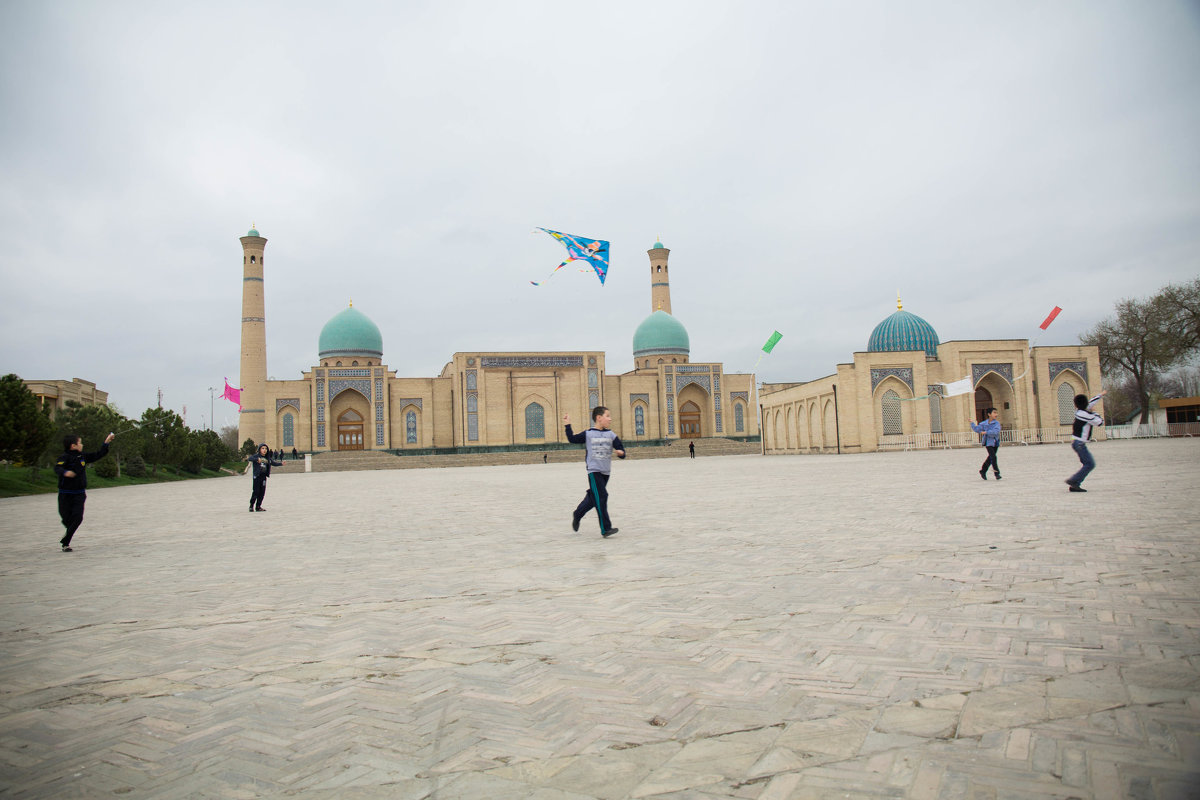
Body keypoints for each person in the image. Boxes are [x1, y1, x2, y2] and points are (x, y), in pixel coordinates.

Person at [564, 407, 625, 537]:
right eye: (607, 416)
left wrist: (620, 453)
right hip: (594, 471)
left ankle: (578, 514)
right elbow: (572, 439)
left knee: (594, 498)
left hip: (605, 472)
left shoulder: (611, 435)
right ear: (598, 418)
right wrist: (567, 425)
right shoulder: (588, 434)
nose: (610, 419)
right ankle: (606, 528)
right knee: (602, 496)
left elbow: (620, 449)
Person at [54, 432, 116, 552]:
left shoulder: (82, 457)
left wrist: (106, 442)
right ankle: (68, 534)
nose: (82, 444)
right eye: (80, 442)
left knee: (77, 518)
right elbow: (57, 468)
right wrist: (65, 472)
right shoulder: (64, 457)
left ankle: (66, 542)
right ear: (73, 446)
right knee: (66, 518)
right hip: (65, 494)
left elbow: (99, 454)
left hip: (79, 494)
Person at [1066, 390, 1107, 492]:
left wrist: (1099, 395)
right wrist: (1094, 412)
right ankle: (1073, 480)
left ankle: (1075, 484)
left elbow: (1090, 403)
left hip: (1076, 442)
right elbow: (1100, 422)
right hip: (1080, 444)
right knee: (1090, 464)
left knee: (1087, 464)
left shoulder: (1079, 412)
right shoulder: (1086, 415)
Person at [248, 443, 283, 511]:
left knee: (262, 492)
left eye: (266, 448)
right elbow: (250, 458)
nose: (264, 450)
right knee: (256, 491)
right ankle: (251, 506)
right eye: (262, 448)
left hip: (263, 477)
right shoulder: (256, 456)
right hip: (257, 476)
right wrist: (256, 459)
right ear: (259, 449)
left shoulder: (267, 458)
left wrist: (281, 464)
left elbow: (273, 463)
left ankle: (258, 506)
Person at [969, 408, 1002, 480]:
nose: (996, 414)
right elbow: (977, 429)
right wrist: (972, 423)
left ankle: (983, 471)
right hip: (988, 442)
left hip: (995, 443)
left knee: (990, 458)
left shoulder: (997, 423)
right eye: (994, 413)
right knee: (993, 457)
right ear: (989, 414)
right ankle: (997, 473)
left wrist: (986, 432)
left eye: (996, 413)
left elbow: (996, 431)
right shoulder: (984, 423)